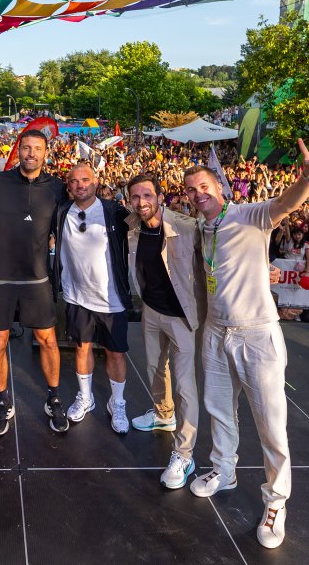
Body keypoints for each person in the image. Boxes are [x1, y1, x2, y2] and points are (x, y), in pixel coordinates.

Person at [182, 134, 309, 550]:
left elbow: (286, 203)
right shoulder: (202, 227)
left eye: (203, 186)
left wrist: (308, 176)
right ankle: (224, 469)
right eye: (191, 190)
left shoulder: (249, 215)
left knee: (270, 424)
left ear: (220, 187)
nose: (197, 194)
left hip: (256, 333)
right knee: (218, 409)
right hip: (216, 331)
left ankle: (276, 502)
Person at [0, 129, 67, 435]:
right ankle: (3, 401)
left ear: (46, 153)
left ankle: (54, 398)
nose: (31, 153)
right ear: (18, 150)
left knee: (48, 340)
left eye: (37, 148)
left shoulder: (57, 187)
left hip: (37, 278)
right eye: (26, 147)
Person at [125, 172, 206, 489]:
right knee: (155, 368)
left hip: (182, 316)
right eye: (135, 196)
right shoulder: (133, 227)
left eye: (147, 195)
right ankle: (163, 414)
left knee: (185, 386)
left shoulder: (187, 227)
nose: (141, 201)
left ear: (160, 197)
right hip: (152, 310)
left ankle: (184, 454)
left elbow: (218, 249)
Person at [52, 162, 131, 434]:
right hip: (77, 296)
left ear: (95, 182)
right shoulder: (62, 211)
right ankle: (86, 397)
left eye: (85, 179)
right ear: (68, 186)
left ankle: (117, 403)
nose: (80, 185)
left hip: (111, 298)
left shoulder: (114, 211)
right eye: (74, 181)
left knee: (116, 353)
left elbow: (143, 225)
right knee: (81, 348)